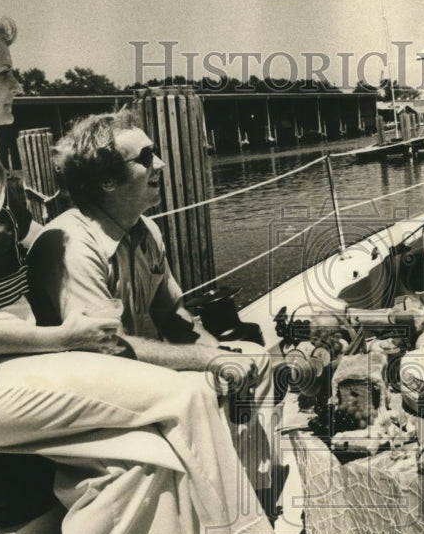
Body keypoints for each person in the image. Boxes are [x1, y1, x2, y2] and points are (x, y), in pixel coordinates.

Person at [0, 1, 277, 534]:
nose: (19, 84)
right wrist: (60, 336)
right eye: (4, 74)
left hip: (22, 366)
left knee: (144, 464)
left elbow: (8, 239)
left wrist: (79, 233)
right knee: (187, 396)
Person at [25, 109, 277, 498]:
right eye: (145, 158)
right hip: (98, 392)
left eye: (155, 152)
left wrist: (221, 354)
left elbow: (172, 315)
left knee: (255, 360)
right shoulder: (72, 245)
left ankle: (252, 495)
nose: (159, 164)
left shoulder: (145, 230)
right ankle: (223, 502)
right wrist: (208, 360)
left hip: (141, 372)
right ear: (107, 180)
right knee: (207, 386)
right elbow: (107, 348)